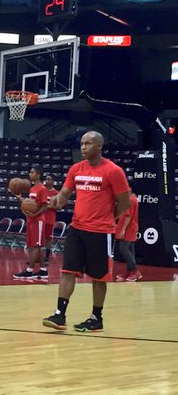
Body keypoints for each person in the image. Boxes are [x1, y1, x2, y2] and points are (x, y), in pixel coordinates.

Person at [42, 131, 130, 332]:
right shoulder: (75, 169)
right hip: (77, 229)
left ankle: (96, 317)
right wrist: (55, 202)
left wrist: (107, 218)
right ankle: (59, 315)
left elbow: (124, 203)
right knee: (67, 272)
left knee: (99, 277)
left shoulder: (113, 171)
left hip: (101, 232)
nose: (83, 147)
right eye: (82, 144)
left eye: (88, 144)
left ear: (99, 146)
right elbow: (63, 197)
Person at [12, 166, 49, 282]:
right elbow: (30, 204)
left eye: (32, 172)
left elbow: (45, 206)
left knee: (36, 246)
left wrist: (35, 214)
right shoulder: (32, 189)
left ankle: (29, 270)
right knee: (33, 246)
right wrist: (21, 199)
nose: (30, 174)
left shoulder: (42, 189)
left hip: (38, 220)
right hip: (31, 220)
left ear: (38, 175)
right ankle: (43, 270)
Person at [115, 188, 142, 282]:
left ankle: (135, 271)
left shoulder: (130, 200)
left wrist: (123, 230)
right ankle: (129, 271)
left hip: (128, 229)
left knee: (123, 248)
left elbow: (128, 216)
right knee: (130, 249)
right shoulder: (134, 198)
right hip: (131, 228)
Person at [43, 173, 58, 267]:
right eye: (46, 179)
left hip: (49, 219)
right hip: (41, 217)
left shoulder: (56, 193)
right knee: (40, 238)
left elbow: (57, 207)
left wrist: (47, 206)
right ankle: (38, 257)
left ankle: (47, 257)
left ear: (53, 181)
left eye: (49, 179)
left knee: (48, 239)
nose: (47, 181)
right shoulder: (42, 191)